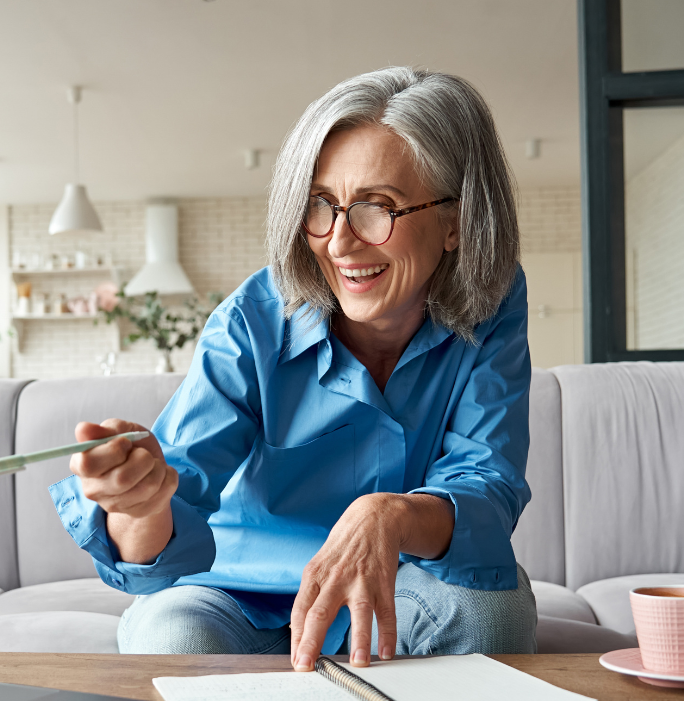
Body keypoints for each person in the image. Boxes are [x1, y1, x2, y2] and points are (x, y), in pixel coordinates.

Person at [49, 67, 535, 672]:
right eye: (320, 207)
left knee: (494, 610)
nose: (338, 242)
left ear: (456, 221)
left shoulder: (491, 305)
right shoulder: (250, 322)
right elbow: (176, 503)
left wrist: (390, 514)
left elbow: (486, 482)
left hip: (398, 587)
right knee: (169, 634)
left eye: (376, 208)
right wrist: (139, 506)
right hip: (231, 594)